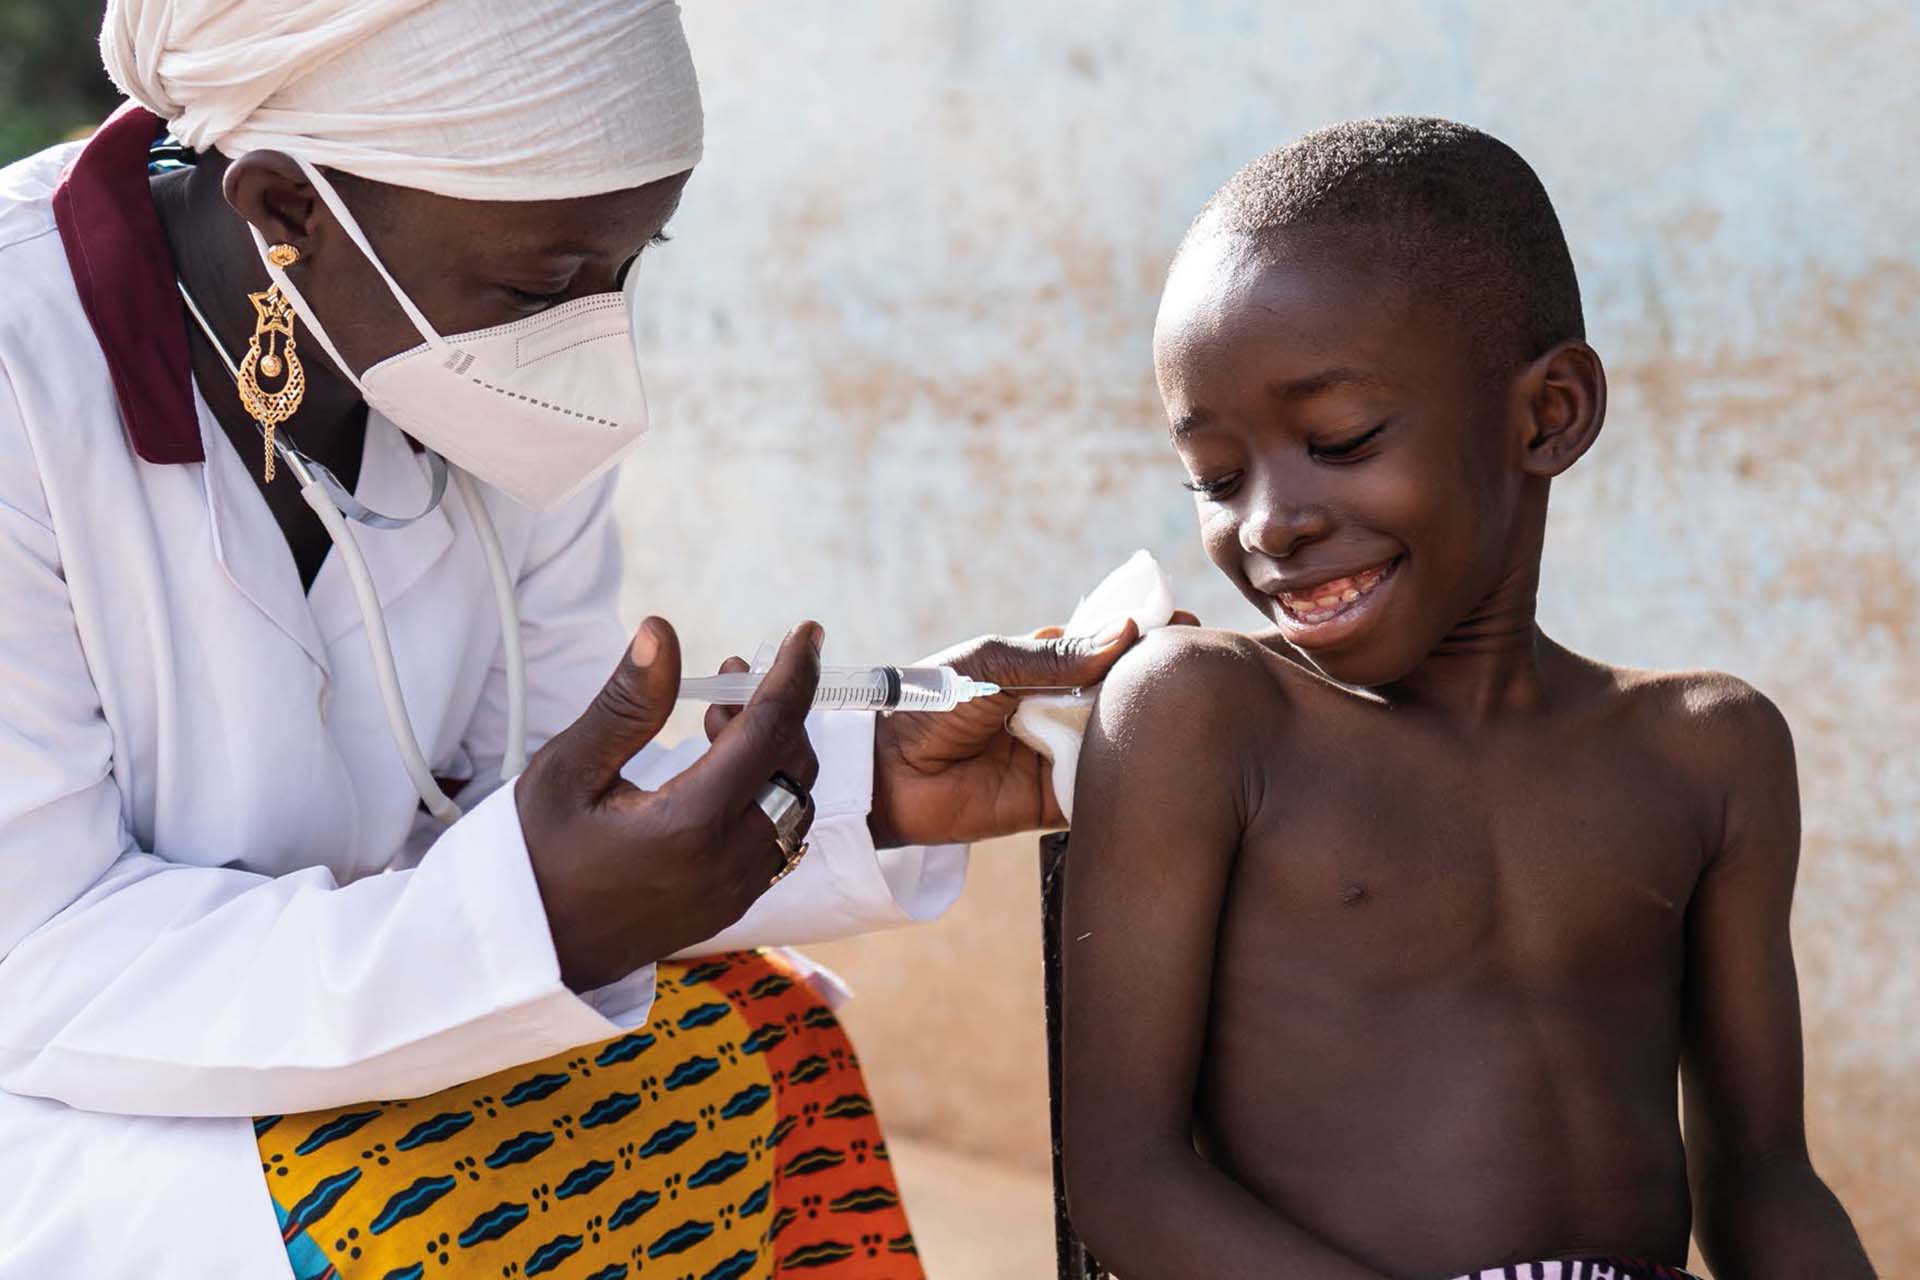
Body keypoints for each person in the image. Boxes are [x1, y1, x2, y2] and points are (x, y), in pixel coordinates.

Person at [0, 2, 1152, 1276]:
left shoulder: (491, 374)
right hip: (71, 1110)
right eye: (546, 283)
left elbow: (529, 798)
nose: (594, 339)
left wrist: (862, 783)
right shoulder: (19, 374)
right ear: (285, 213)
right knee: (425, 1222)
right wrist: (538, 916)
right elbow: (41, 964)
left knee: (772, 1044)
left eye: (630, 263)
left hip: (357, 1018)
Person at [1059, 117, 1878, 1280]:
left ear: (1548, 416)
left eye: (1338, 438)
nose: (1269, 521)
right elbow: (1128, 1176)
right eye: (1216, 476)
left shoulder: (1710, 749)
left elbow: (1762, 1175)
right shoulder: (1205, 717)